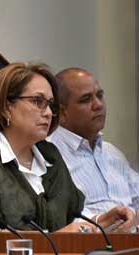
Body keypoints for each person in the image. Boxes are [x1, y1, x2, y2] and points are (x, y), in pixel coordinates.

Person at [0, 63, 132, 255]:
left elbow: (71, 219)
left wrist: (99, 223)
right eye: (37, 101)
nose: (49, 113)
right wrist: (57, 240)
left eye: (50, 104)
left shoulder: (49, 156)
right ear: (6, 107)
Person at [48, 68, 139, 228]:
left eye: (100, 96)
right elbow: (57, 218)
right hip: (88, 240)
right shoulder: (48, 154)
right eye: (85, 99)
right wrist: (103, 222)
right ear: (62, 112)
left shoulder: (112, 152)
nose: (98, 105)